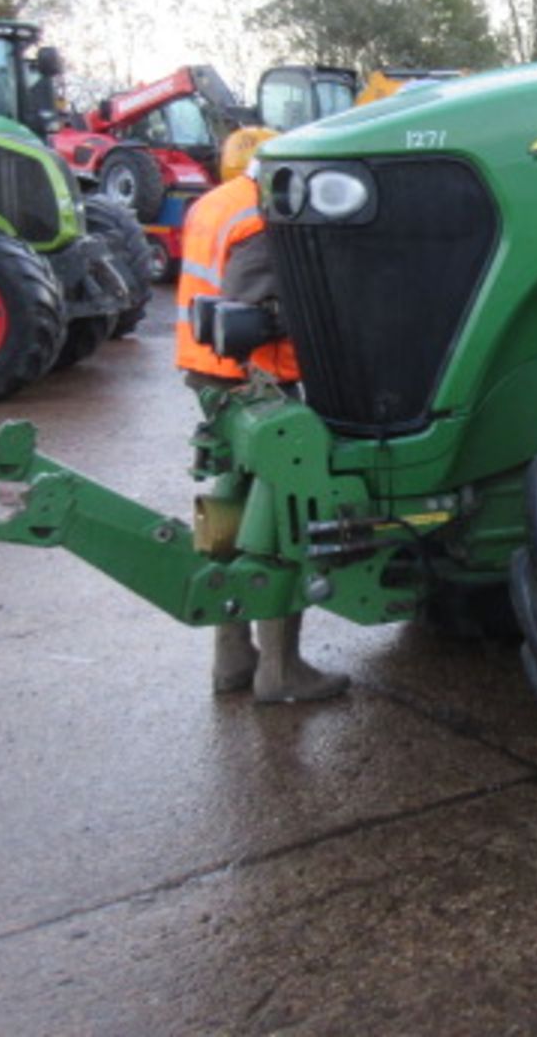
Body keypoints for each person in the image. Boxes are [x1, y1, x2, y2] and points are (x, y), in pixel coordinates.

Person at [175, 127, 348, 704]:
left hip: (205, 373)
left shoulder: (211, 204)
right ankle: (281, 669)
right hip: (256, 376)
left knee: (233, 494)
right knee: (281, 512)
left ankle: (232, 654)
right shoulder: (260, 217)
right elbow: (252, 310)